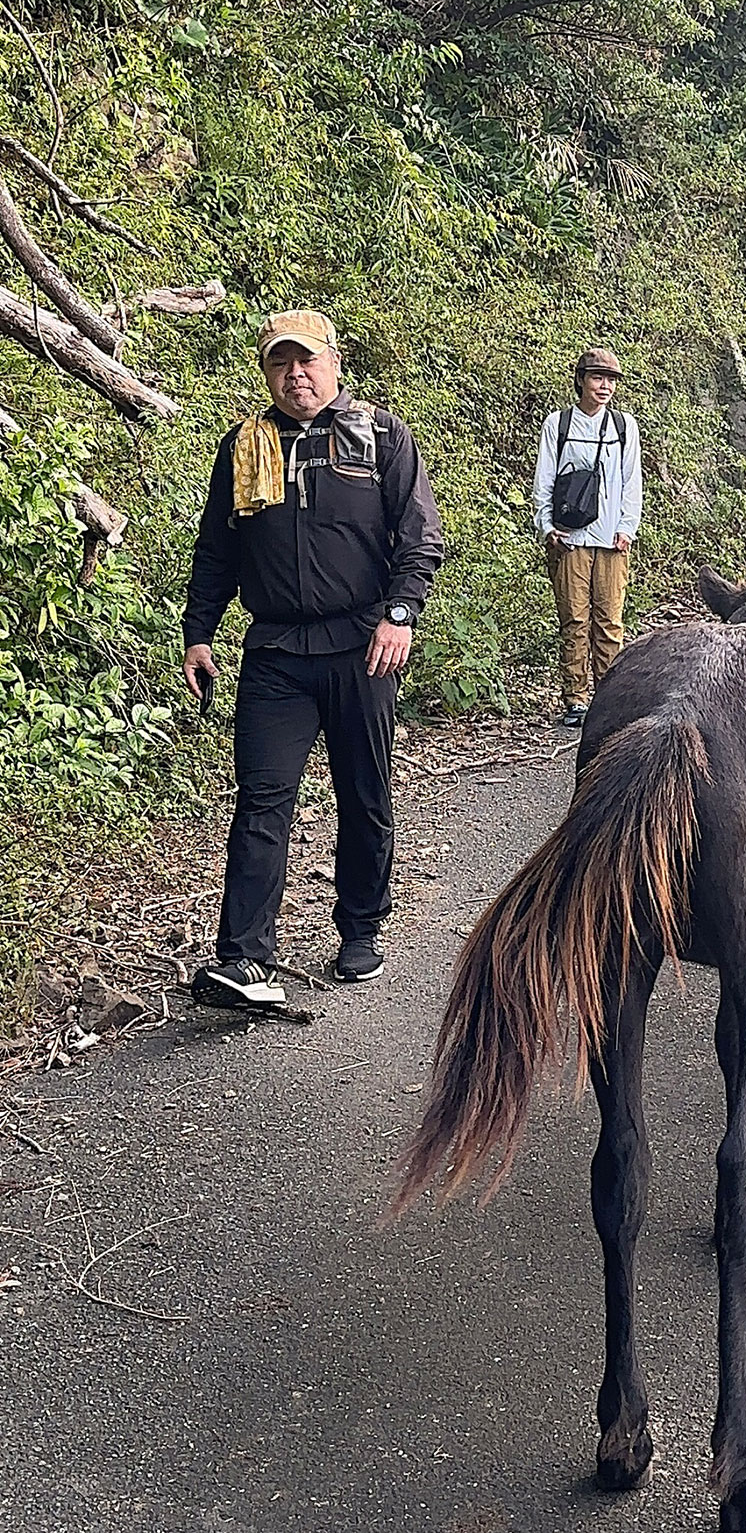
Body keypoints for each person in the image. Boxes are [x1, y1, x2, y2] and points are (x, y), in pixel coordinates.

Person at [181, 310, 444, 1009]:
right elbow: (217, 550)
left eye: (307, 360)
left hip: (362, 647)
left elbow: (419, 539)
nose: (295, 373)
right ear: (267, 372)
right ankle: (243, 957)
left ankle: (360, 926)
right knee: (262, 800)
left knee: (364, 792)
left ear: (333, 362)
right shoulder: (243, 445)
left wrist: (399, 613)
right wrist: (198, 631)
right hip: (275, 652)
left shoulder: (383, 435)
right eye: (280, 362)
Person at [532, 345, 643, 725]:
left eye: (611, 379)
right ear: (580, 380)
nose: (604, 386)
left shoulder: (624, 427)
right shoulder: (558, 425)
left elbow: (632, 482)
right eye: (597, 377)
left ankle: (608, 696)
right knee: (574, 620)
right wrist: (546, 526)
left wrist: (627, 527)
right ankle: (576, 699)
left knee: (610, 622)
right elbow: (544, 479)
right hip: (569, 538)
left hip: (612, 540)